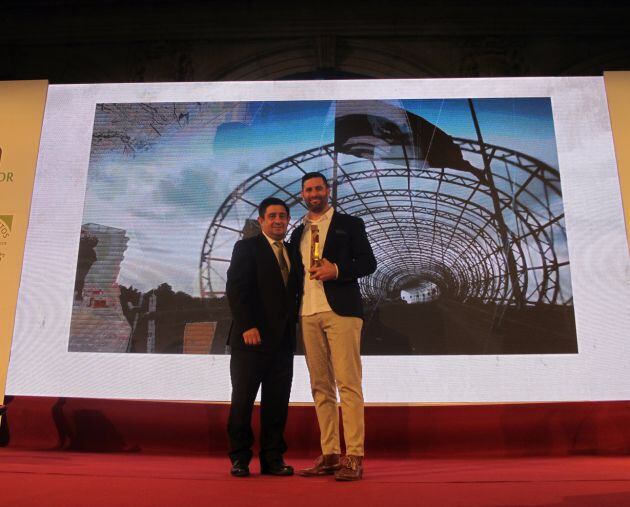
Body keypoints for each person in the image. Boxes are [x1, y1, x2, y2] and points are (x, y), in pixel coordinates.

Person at [289, 172, 376, 481]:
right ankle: (329, 454)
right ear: (303, 195)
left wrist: (337, 269)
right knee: (320, 386)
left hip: (342, 313)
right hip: (307, 313)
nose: (314, 193)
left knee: (348, 384)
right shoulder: (296, 233)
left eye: (318, 188)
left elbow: (368, 263)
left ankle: (354, 456)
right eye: (308, 189)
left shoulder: (350, 224)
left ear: (327, 191)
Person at [226, 197, 297, 477]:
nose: (278, 221)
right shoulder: (246, 248)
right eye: (272, 216)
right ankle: (240, 458)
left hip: (283, 343)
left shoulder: (294, 252)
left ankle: (273, 459)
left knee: (277, 404)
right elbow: (236, 289)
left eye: (283, 216)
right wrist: (247, 326)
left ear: (288, 220)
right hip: (251, 341)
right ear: (262, 221)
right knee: (242, 401)